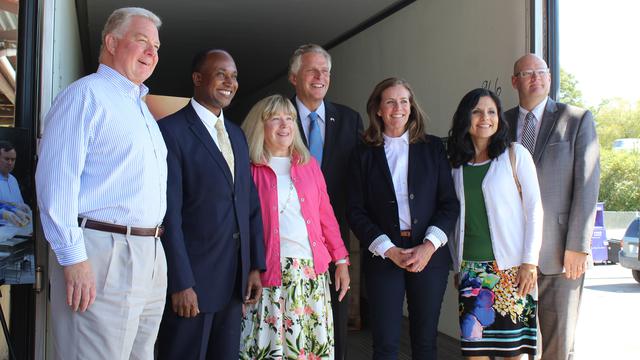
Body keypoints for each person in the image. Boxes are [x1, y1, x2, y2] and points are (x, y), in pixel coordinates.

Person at [35, 7, 167, 359]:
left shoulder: (140, 108)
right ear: (111, 42)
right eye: (141, 41)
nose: (152, 52)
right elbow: (55, 183)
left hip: (149, 252)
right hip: (102, 252)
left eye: (155, 46)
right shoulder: (86, 96)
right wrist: (73, 257)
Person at [156, 49, 265, 360]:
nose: (230, 82)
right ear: (197, 78)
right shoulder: (171, 131)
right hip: (193, 283)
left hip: (233, 282)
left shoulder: (237, 135)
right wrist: (181, 282)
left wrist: (254, 266)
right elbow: (169, 215)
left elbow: (249, 205)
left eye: (234, 76)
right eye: (221, 74)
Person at [348, 78, 459, 359]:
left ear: (412, 107)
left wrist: (429, 246)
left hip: (429, 253)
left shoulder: (433, 148)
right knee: (385, 343)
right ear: (378, 110)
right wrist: (388, 249)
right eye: (390, 101)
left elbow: (449, 204)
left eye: (404, 101)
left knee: (424, 341)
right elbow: (355, 210)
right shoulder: (363, 153)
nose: (398, 108)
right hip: (384, 254)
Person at [239, 94, 350, 359]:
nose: (284, 124)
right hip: (269, 274)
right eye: (275, 118)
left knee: (308, 348)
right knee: (269, 348)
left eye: (289, 118)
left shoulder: (309, 164)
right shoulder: (249, 168)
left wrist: (342, 260)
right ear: (260, 126)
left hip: (310, 272)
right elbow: (241, 225)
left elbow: (326, 216)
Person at [505, 54, 600, 360]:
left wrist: (578, 246)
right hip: (510, 254)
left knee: (558, 345)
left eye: (542, 71)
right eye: (528, 72)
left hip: (559, 254)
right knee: (511, 345)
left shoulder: (576, 119)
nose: (537, 77)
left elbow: (587, 186)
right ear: (515, 81)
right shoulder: (499, 123)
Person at [446, 88, 543, 359]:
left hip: (512, 270)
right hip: (471, 272)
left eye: (491, 112)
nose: (485, 118)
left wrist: (529, 262)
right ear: (466, 117)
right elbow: (456, 220)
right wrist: (457, 265)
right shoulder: (456, 164)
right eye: (477, 111)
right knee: (474, 350)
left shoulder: (515, 154)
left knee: (514, 352)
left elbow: (535, 210)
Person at [288, 43, 363, 359]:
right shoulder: (278, 117)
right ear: (294, 77)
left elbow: (360, 182)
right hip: (290, 241)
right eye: (311, 71)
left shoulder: (349, 120)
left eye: (325, 71)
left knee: (333, 318)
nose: (320, 77)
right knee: (294, 322)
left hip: (335, 241)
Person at [0, 141, 30, 226]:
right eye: (6, 159)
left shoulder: (13, 180)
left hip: (15, 229)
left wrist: (22, 208)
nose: (10, 163)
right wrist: (4, 214)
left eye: (13, 159)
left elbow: (19, 203)